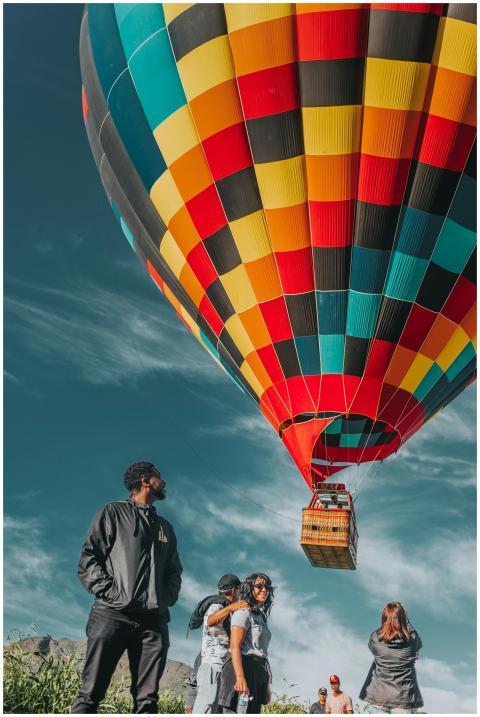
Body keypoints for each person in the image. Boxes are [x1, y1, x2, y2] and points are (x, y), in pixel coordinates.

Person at [72, 461, 182, 714]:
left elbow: (174, 572)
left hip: (153, 623)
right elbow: (89, 559)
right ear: (145, 480)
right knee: (91, 693)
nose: (163, 481)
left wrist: (162, 601)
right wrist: (115, 595)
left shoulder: (166, 527)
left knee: (147, 701)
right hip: (111, 614)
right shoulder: (112, 512)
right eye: (159, 476)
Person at [218, 573, 274, 714]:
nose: (264, 590)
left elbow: (262, 651)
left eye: (267, 587)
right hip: (242, 668)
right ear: (249, 588)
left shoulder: (261, 617)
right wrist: (240, 677)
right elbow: (234, 647)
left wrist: (266, 685)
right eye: (259, 586)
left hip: (259, 671)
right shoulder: (243, 613)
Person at [193, 574, 248, 714]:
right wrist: (232, 608)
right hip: (212, 664)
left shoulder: (224, 605)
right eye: (239, 591)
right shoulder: (219, 603)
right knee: (205, 706)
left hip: (220, 666)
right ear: (235, 590)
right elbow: (211, 620)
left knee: (214, 708)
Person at [359, 602, 423, 713]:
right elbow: (417, 642)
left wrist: (389, 620)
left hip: (379, 698)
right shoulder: (412, 639)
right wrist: (405, 618)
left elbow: (373, 644)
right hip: (404, 700)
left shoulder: (375, 638)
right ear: (403, 619)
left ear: (384, 619)